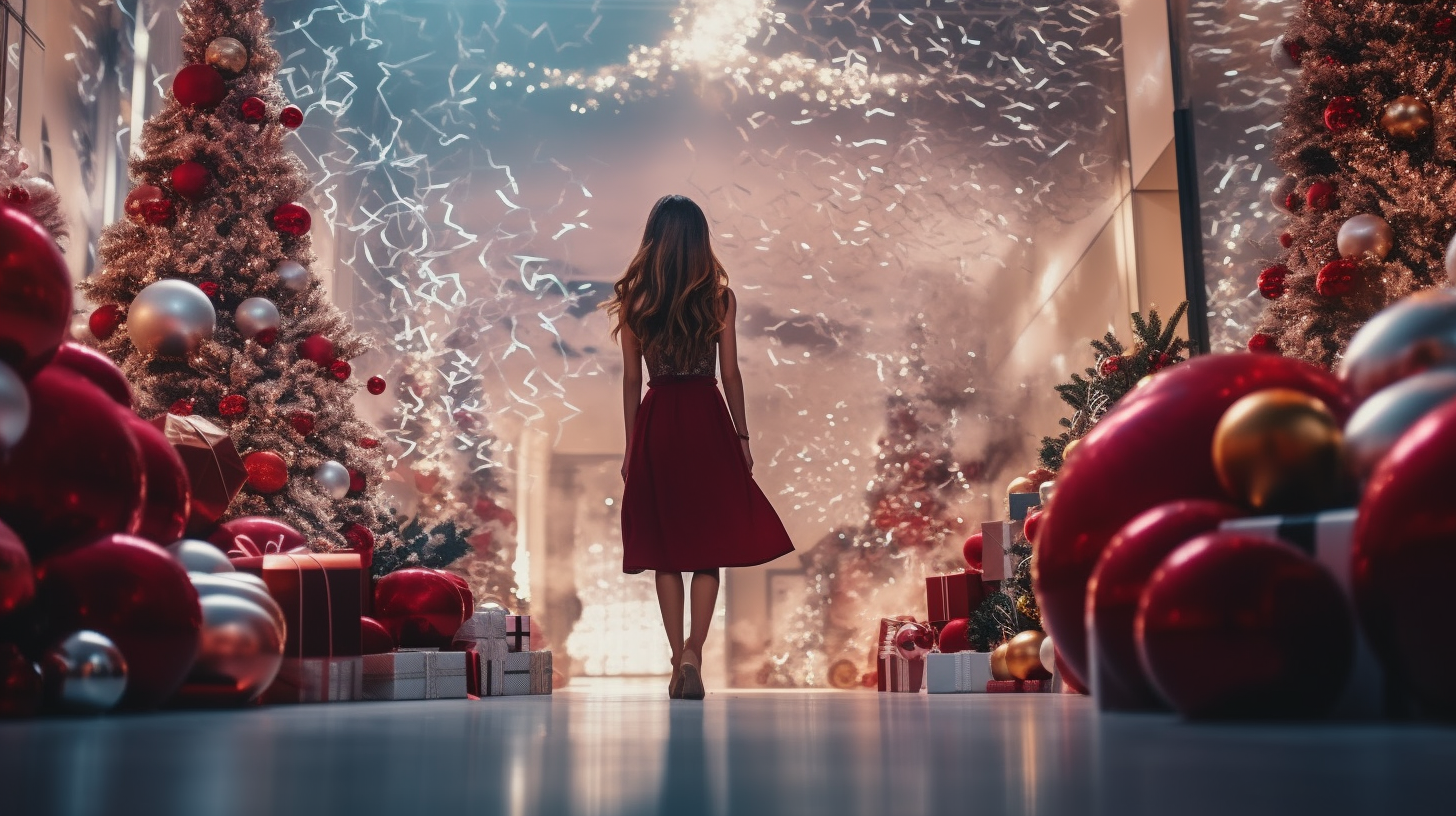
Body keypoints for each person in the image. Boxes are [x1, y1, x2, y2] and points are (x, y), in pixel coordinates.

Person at [606, 194, 795, 700]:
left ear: (654, 240)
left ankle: (674, 660)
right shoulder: (719, 299)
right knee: (707, 549)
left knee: (667, 551)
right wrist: (742, 437)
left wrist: (631, 448)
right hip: (708, 420)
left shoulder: (636, 302)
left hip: (659, 422)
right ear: (699, 241)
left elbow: (630, 382)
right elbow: (730, 374)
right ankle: (695, 650)